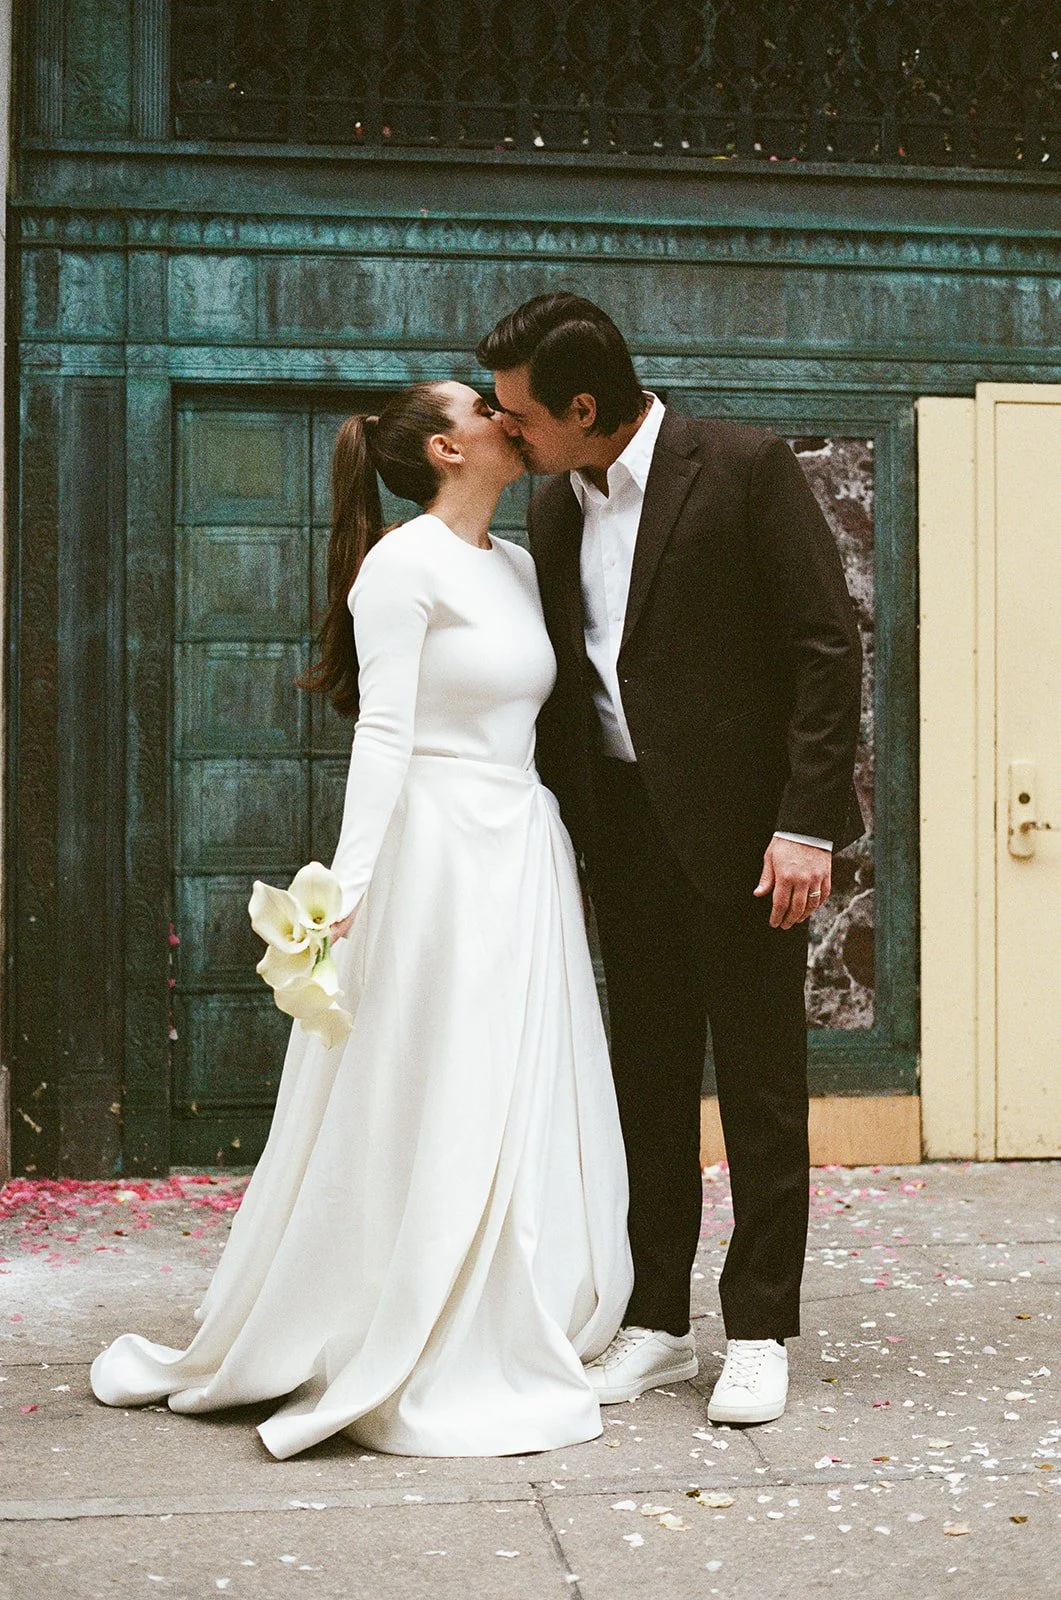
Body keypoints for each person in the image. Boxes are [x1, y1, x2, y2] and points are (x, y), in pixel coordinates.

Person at [90, 380, 633, 1459]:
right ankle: (393, 1300)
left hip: (515, 848)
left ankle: (522, 1287)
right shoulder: (398, 566)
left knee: (515, 1075)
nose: (502, 414)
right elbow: (382, 735)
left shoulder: (519, 564)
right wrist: (348, 892)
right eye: (482, 407)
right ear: (444, 445)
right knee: (433, 1073)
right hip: (433, 858)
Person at [477, 295, 864, 1426]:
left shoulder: (739, 467)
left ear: (582, 406)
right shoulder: (551, 505)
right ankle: (655, 1319)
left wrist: (805, 823)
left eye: (521, 416)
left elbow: (822, 646)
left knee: (756, 1083)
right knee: (644, 1081)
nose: (510, 435)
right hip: (622, 831)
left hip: (750, 842)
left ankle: (757, 1329)